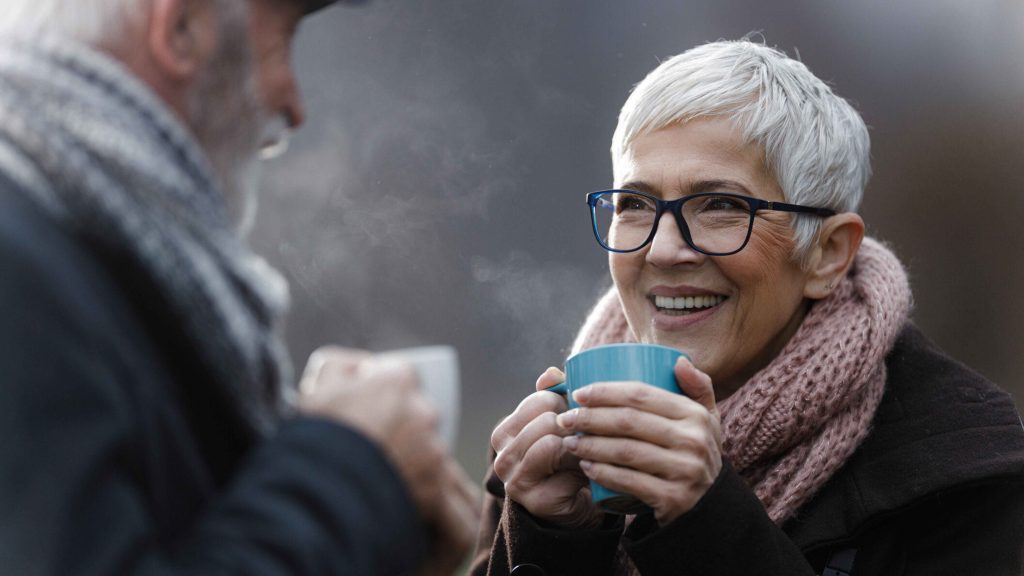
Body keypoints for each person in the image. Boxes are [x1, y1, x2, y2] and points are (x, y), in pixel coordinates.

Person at [472, 40, 1024, 576]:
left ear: (827, 254)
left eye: (719, 206)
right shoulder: (544, 458)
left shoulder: (961, 472)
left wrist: (707, 522)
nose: (662, 250)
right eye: (635, 204)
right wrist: (551, 540)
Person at [0, 0, 478, 574]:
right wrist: (351, 468)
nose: (294, 106)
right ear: (181, 29)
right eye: (285, 37)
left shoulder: (79, 259)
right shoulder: (20, 270)